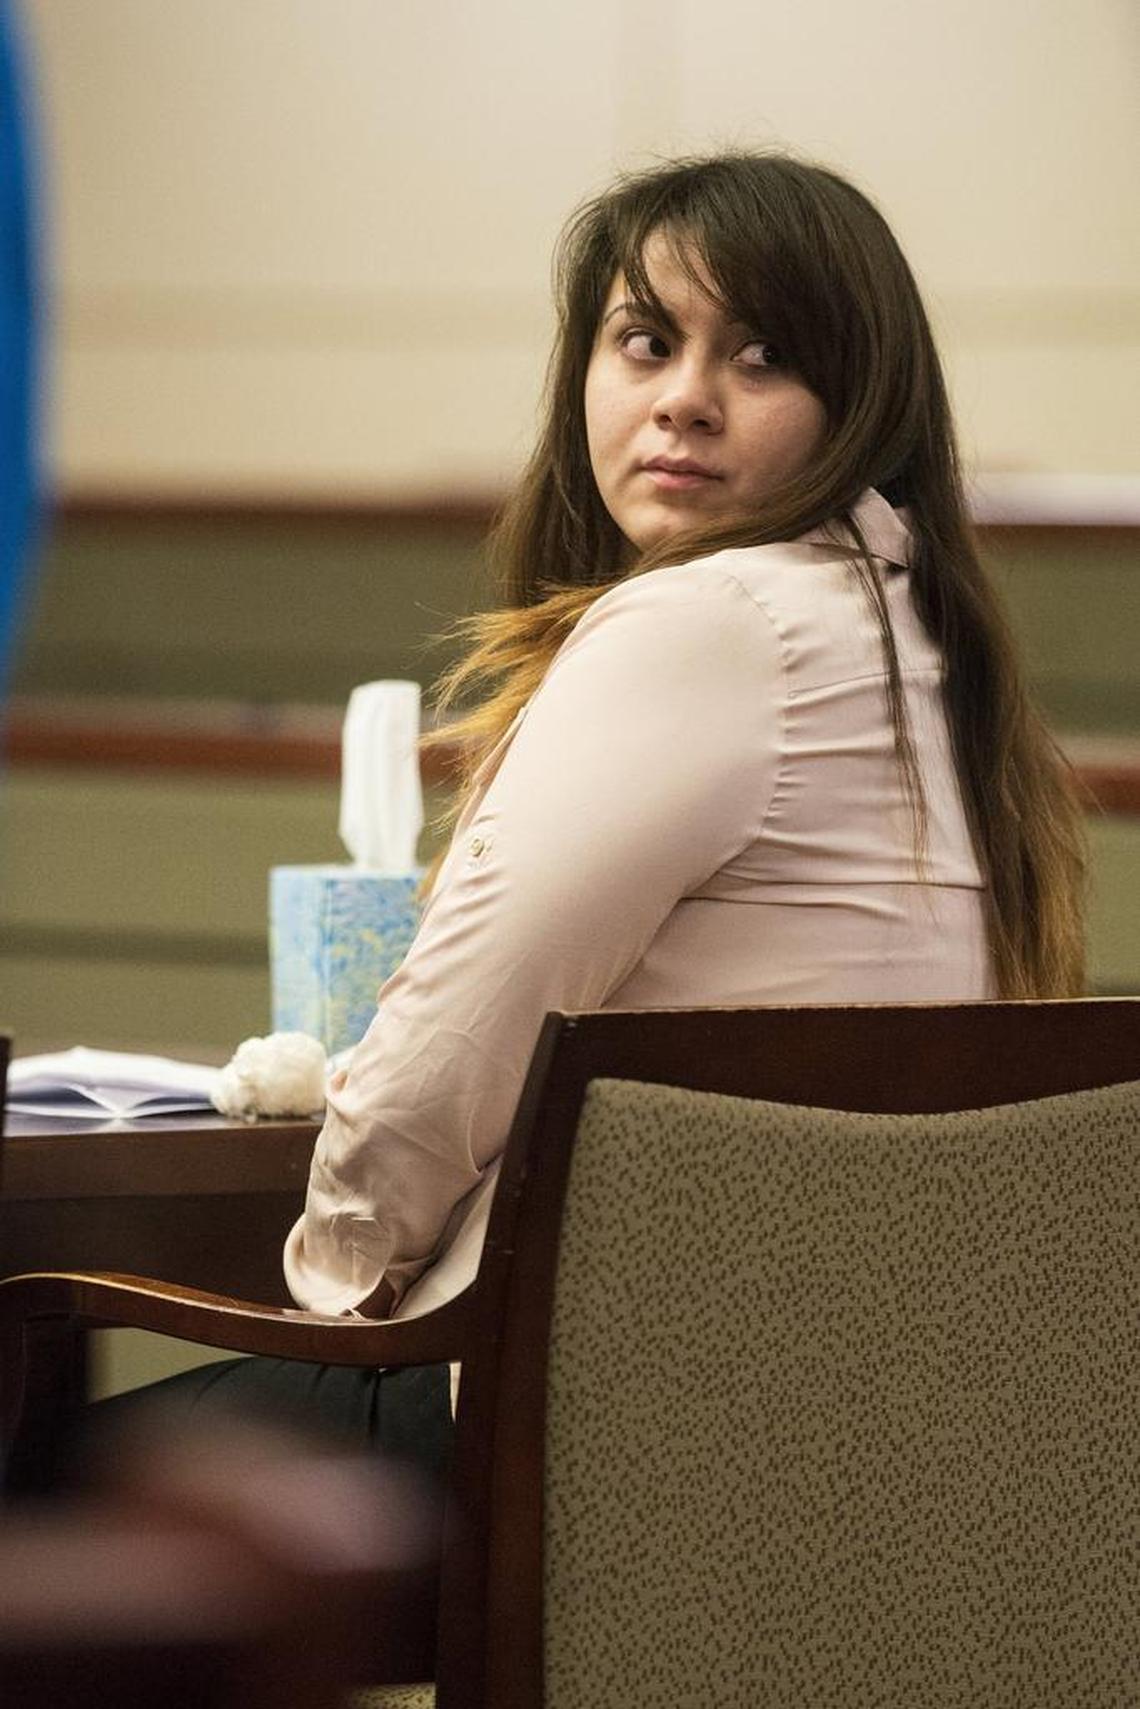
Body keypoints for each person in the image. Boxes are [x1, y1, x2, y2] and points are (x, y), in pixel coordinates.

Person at [71, 150, 1087, 1487]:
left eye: (763, 357)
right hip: (847, 1426)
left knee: (43, 1495)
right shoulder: (911, 638)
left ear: (861, 406)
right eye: (646, 341)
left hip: (597, 1420)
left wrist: (337, 1284)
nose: (685, 401)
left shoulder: (715, 621)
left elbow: (449, 1053)